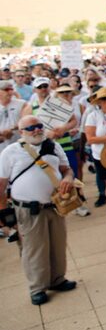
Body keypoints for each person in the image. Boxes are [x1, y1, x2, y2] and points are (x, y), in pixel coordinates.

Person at [0, 115, 77, 305]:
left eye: (39, 126)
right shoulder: (10, 152)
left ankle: (57, 279)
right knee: (34, 249)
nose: (36, 130)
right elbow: (1, 184)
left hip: (55, 205)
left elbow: (67, 169)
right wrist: (4, 213)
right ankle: (37, 287)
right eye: (31, 128)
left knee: (58, 244)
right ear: (21, 132)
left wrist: (67, 178)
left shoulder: (53, 146)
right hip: (28, 209)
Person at [0, 79, 29, 153]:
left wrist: (12, 129)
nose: (10, 92)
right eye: (6, 90)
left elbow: (26, 120)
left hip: (20, 144)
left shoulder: (22, 104)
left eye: (11, 89)